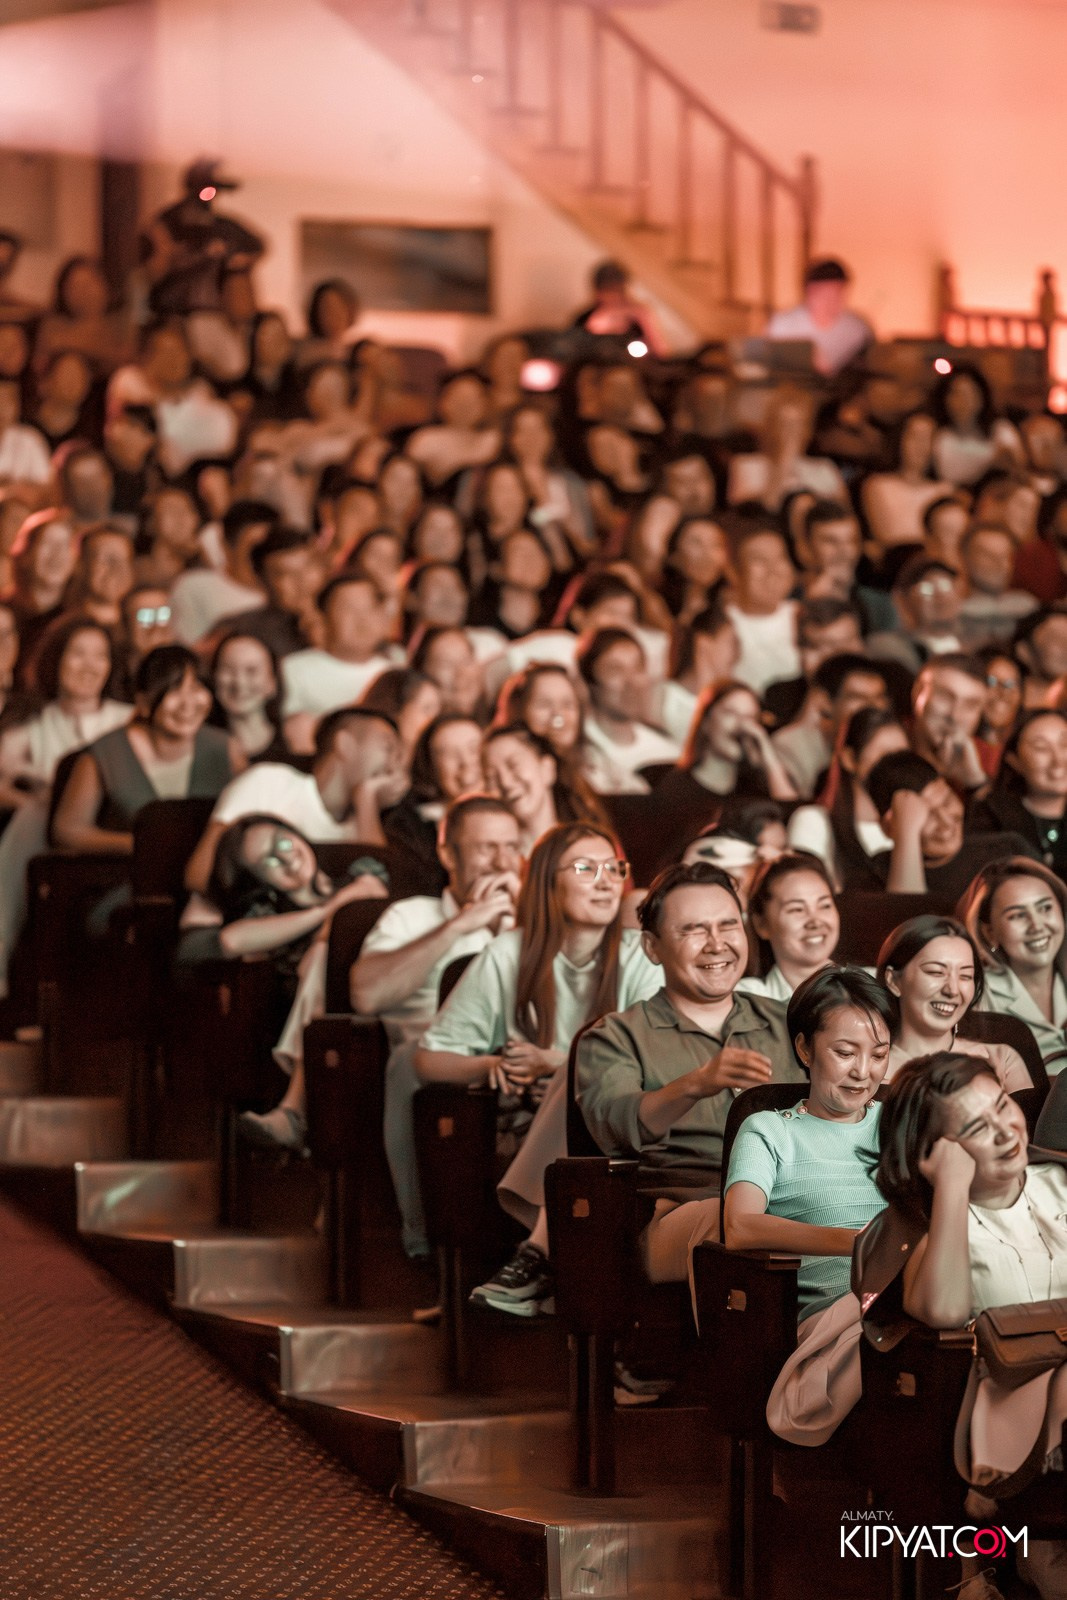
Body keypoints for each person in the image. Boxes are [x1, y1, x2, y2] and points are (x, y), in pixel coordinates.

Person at [416, 823, 661, 1312]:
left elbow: (650, 1062)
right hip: (528, 1124)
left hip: (624, 1123)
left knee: (586, 1065)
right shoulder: (509, 953)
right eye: (586, 868)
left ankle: (537, 1255)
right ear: (549, 880)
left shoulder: (641, 955)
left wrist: (556, 1062)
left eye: (614, 869)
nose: (606, 881)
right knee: (583, 1067)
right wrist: (495, 1064)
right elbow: (428, 1059)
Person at [862, 1055, 1067, 1600]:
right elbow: (945, 1313)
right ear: (935, 1152)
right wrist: (952, 1188)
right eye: (977, 1127)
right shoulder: (933, 1230)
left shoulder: (1059, 1183)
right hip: (1005, 1409)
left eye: (1002, 1105)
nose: (1005, 1130)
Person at [575, 862, 802, 1285]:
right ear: (651, 947)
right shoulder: (615, 1036)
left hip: (792, 1195)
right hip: (677, 1209)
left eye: (728, 925)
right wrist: (696, 1084)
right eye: (693, 930)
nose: (717, 944)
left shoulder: (791, 1023)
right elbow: (616, 1127)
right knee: (744, 1222)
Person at [350, 794, 524, 1255]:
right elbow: (365, 995)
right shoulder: (411, 916)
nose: (502, 862)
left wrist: (524, 923)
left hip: (522, 1049)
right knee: (410, 1061)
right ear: (448, 854)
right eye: (486, 848)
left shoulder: (536, 920)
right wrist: (460, 926)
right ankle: (422, 1235)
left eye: (512, 847)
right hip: (434, 1056)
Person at [183, 814, 388, 1152]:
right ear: (260, 880)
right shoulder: (269, 910)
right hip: (325, 1011)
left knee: (321, 957)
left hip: (380, 985)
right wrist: (326, 913)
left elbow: (374, 896)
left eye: (282, 841)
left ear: (295, 832)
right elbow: (232, 940)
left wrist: (324, 936)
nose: (286, 858)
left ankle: (293, 1109)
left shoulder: (357, 870)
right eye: (268, 862)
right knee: (321, 961)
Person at [726, 965, 891, 1329]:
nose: (863, 1072)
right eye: (845, 1053)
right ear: (804, 1048)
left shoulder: (901, 1124)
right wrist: (861, 1244)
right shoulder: (769, 1131)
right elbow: (740, 1226)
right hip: (835, 1314)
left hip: (914, 1297)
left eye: (879, 1055)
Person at [185, 706, 405, 893]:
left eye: (400, 755)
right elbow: (200, 874)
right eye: (388, 748)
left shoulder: (370, 822)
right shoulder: (270, 782)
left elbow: (381, 890)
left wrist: (366, 800)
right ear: (344, 743)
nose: (396, 765)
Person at [51, 644, 241, 854]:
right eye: (173, 690)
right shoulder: (106, 754)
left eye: (196, 688)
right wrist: (142, 845)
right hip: (129, 870)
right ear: (143, 703)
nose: (187, 704)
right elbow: (67, 831)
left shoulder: (226, 748)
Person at [877, 915, 1031, 1090]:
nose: (952, 990)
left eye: (965, 976)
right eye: (936, 972)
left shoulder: (1000, 1059)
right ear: (893, 981)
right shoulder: (867, 1068)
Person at [652, 682, 799, 857]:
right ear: (706, 720)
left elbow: (792, 813)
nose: (741, 725)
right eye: (731, 713)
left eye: (750, 718)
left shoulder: (755, 791)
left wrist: (767, 754)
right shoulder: (675, 786)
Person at [865, 750, 1035, 898]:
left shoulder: (1007, 850)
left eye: (947, 801)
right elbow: (908, 920)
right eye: (927, 815)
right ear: (888, 827)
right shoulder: (878, 872)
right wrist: (907, 834)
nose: (945, 821)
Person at [960, 858, 1067, 1077]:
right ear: (990, 932)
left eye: (1045, 908)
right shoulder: (976, 994)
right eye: (1017, 915)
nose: (1037, 926)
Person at [787, 706, 910, 889]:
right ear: (849, 759)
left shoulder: (911, 826)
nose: (896, 767)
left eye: (903, 756)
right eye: (885, 755)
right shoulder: (814, 821)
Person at [281, 575, 393, 753]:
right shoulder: (292, 669)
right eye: (349, 609)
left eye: (369, 608)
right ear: (324, 618)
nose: (362, 619)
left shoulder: (394, 673)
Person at [140, 159, 264, 317]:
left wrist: (231, 260)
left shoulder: (220, 227)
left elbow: (255, 245)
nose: (210, 197)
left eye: (213, 191)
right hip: (173, 311)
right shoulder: (169, 221)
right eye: (207, 190)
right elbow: (154, 264)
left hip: (212, 309)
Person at [576, 628, 680, 795]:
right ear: (588, 682)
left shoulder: (668, 749)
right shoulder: (579, 754)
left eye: (638, 668)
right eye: (615, 670)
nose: (632, 683)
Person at [969, 710, 1067, 873]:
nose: (1058, 760)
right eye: (1041, 747)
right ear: (1014, 760)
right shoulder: (992, 819)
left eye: (1064, 744)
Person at [484, 722, 604, 853]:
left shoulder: (590, 848)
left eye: (513, 765)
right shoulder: (494, 860)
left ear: (547, 769)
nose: (505, 782)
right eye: (491, 777)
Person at [169, 499, 275, 646]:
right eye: (255, 548)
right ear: (226, 546)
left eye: (271, 547)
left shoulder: (287, 594)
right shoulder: (194, 588)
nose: (263, 557)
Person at [738, 853, 840, 1003]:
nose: (815, 922)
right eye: (797, 909)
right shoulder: (745, 999)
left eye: (825, 905)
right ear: (761, 924)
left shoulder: (872, 985)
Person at [727, 387, 847, 510]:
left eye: (796, 425)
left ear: (807, 430)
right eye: (783, 424)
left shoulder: (825, 468)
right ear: (768, 428)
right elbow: (757, 513)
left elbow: (843, 514)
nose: (789, 433)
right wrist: (784, 462)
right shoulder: (746, 466)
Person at [722, 519, 800, 695]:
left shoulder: (802, 617)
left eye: (780, 558)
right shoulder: (722, 624)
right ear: (733, 572)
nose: (773, 570)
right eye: (759, 560)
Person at [861, 411, 954, 555]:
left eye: (928, 439)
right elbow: (885, 537)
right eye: (915, 437)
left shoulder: (945, 489)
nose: (921, 446)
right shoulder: (877, 485)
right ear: (900, 440)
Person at [765, 258, 873, 378]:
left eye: (837, 293)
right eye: (824, 294)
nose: (831, 301)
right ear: (809, 292)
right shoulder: (782, 325)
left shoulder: (858, 329)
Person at [657, 603, 740, 745]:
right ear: (704, 643)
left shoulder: (731, 704)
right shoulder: (663, 699)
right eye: (731, 642)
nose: (737, 654)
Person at [7, 511, 77, 678]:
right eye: (48, 543)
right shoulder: (5, 614)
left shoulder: (75, 620)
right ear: (26, 552)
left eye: (65, 545)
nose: (57, 554)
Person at [909, 654, 992, 794]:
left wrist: (976, 784)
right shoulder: (885, 744)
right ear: (918, 692)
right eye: (945, 697)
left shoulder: (988, 762)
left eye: (970, 705)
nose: (955, 716)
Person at [930, 364, 1022, 487]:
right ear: (945, 399)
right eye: (957, 394)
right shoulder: (940, 436)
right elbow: (948, 475)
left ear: (982, 396)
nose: (964, 401)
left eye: (970, 393)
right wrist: (991, 460)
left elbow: (1015, 464)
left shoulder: (1001, 430)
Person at [209, 630, 288, 763]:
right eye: (228, 669)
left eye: (252, 671)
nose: (240, 682)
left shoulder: (295, 742)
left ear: (273, 682)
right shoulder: (201, 748)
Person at [958, 522, 1037, 648]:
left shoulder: (1029, 608)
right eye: (988, 556)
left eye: (1005, 556)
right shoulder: (950, 613)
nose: (999, 564)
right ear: (965, 558)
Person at [571, 259, 666, 356]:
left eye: (614, 290)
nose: (610, 297)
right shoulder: (585, 317)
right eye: (606, 290)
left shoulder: (638, 315)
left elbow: (660, 351)